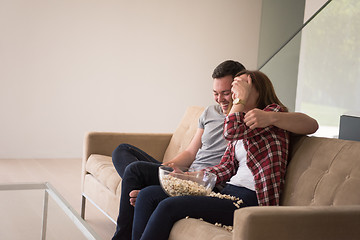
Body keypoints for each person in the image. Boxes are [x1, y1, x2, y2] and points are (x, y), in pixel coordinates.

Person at [111, 61, 318, 240]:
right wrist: (187, 177)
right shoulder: (243, 125)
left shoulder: (271, 116)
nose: (236, 94)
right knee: (148, 195)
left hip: (250, 202)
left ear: (258, 90)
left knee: (167, 207)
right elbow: (225, 168)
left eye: (239, 88)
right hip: (228, 192)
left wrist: (269, 116)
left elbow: (312, 124)